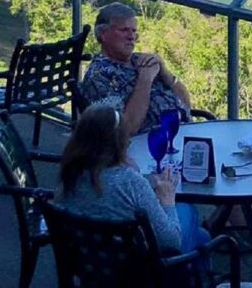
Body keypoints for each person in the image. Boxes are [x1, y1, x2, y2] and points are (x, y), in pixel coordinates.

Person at [56, 103, 209, 257]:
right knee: (187, 211)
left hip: (89, 268)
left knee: (202, 237)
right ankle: (191, 279)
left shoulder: (68, 179)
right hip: (135, 274)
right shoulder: (130, 183)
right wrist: (167, 199)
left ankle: (200, 274)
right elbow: (171, 242)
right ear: (121, 143)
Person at [80, 2, 191, 137]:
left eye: (134, 31)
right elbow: (126, 128)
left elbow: (186, 103)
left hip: (182, 133)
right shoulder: (99, 76)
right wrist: (145, 79)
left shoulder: (141, 61)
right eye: (124, 30)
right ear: (103, 34)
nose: (131, 37)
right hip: (149, 146)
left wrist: (164, 71)